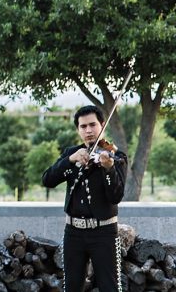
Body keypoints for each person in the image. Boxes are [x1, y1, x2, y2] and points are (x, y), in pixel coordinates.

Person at [42, 105, 127, 292]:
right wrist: (70, 160)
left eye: (92, 125)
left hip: (104, 232)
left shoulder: (116, 156)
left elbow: (116, 196)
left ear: (102, 125)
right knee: (72, 287)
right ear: (78, 129)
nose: (88, 130)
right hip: (73, 232)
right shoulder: (72, 154)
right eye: (83, 126)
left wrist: (108, 169)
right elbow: (47, 180)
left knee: (109, 287)